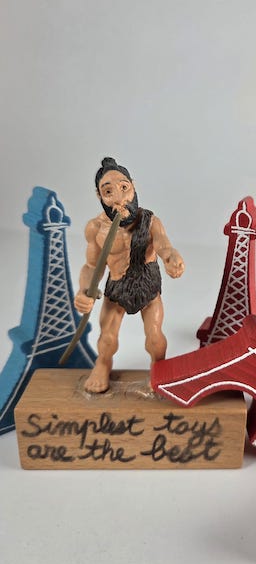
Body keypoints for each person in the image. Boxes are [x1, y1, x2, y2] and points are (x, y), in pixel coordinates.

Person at [74, 157, 184, 392]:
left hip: (147, 285)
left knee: (154, 336)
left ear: (133, 186)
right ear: (99, 196)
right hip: (117, 287)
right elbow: (92, 266)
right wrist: (84, 290)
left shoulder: (151, 221)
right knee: (107, 337)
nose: (119, 197)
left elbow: (164, 245)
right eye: (108, 191)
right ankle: (103, 364)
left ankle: (159, 368)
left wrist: (171, 258)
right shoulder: (95, 228)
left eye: (124, 187)